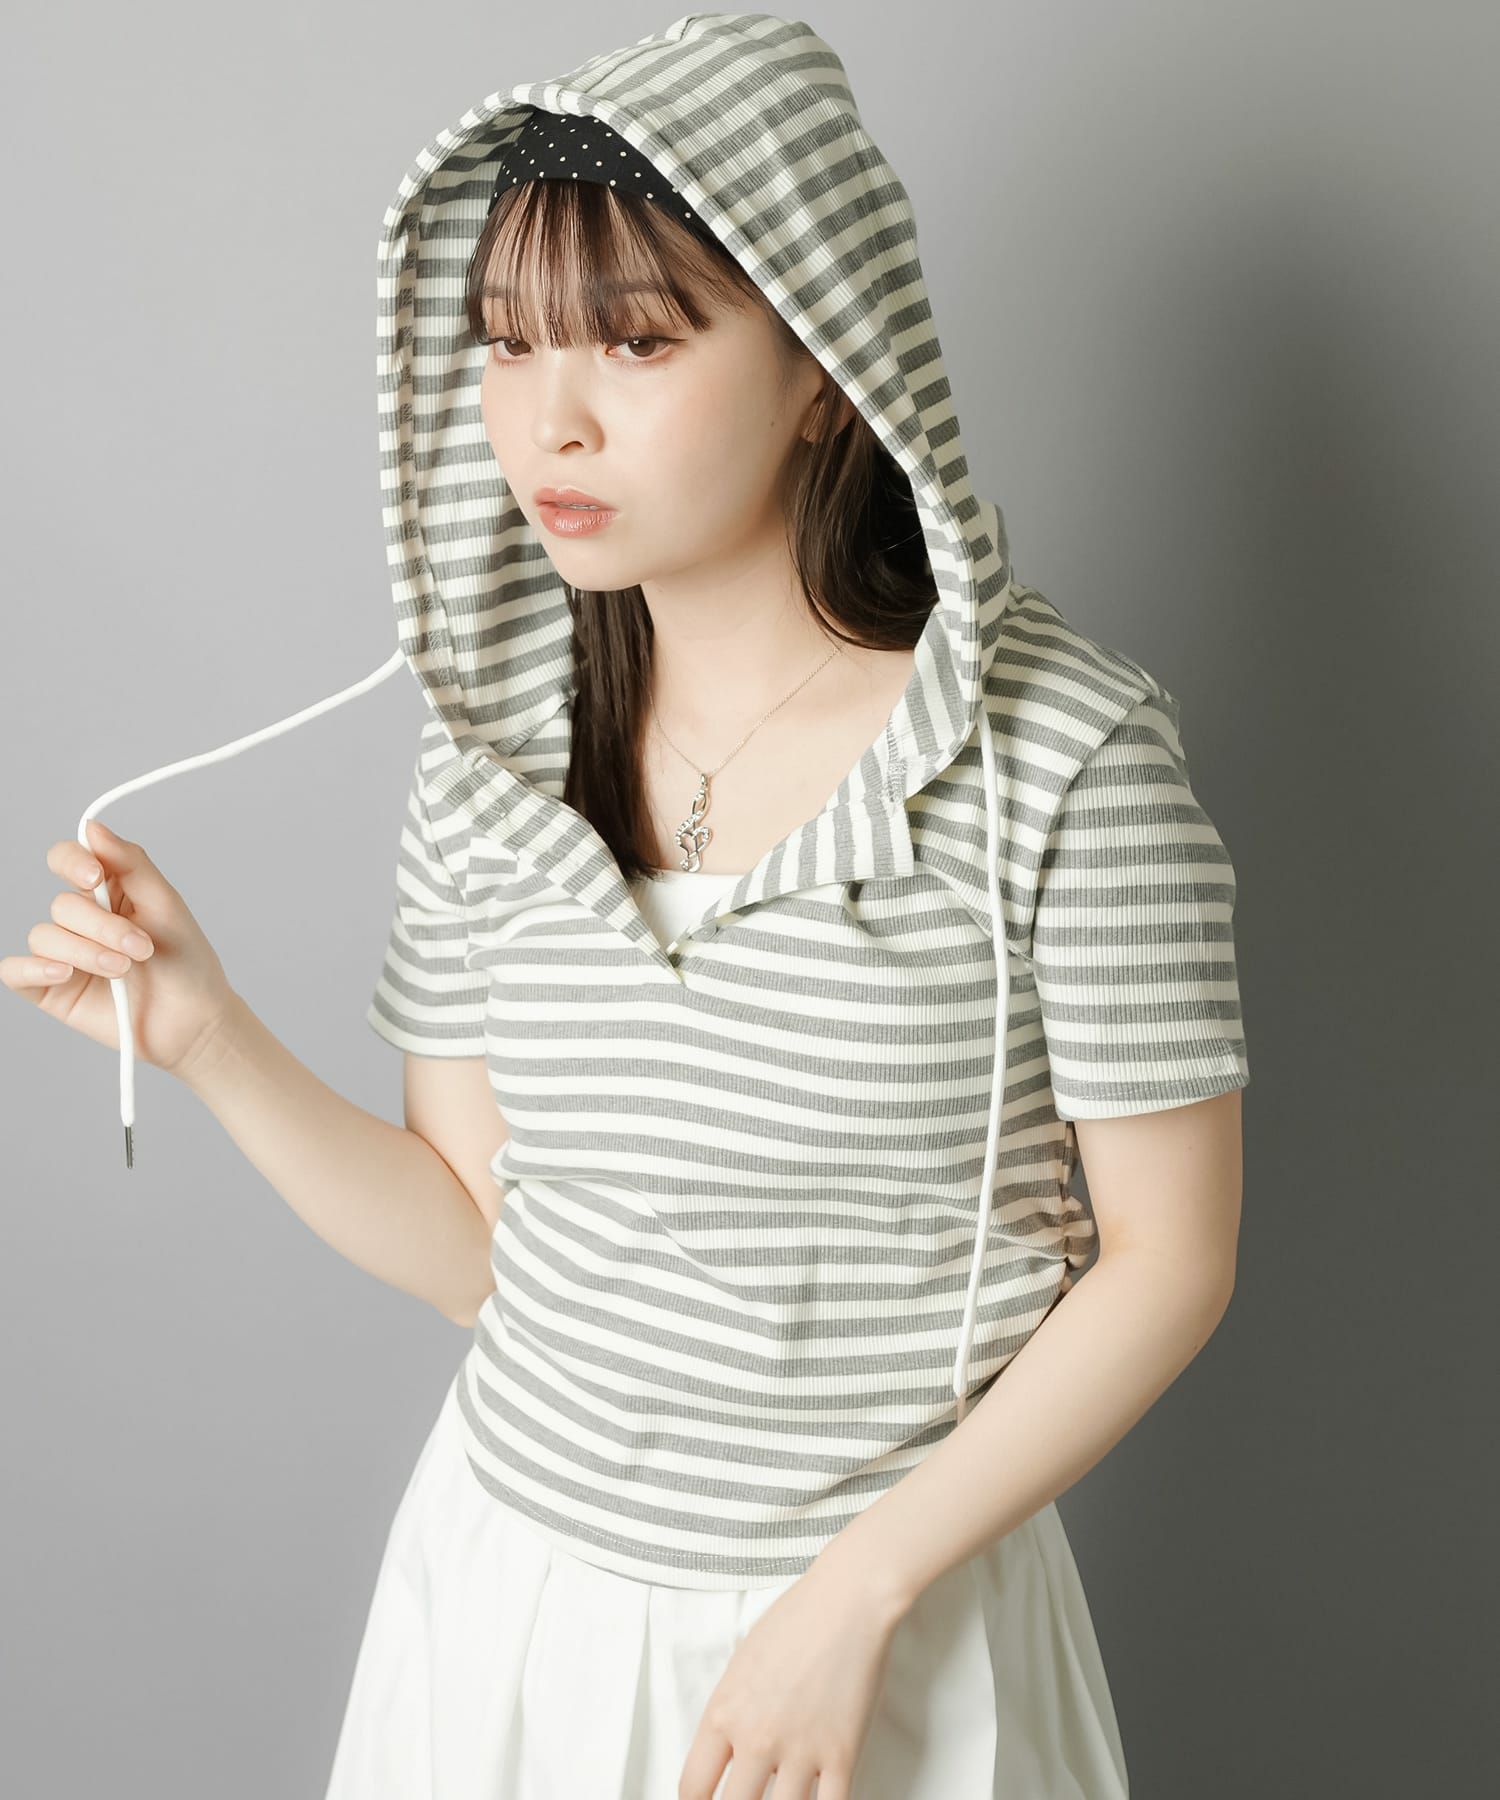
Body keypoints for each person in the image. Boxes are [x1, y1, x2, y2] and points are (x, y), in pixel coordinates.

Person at [7, 14, 1250, 1797]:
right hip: (510, 1612)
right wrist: (205, 1034)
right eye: (508, 345)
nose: (551, 420)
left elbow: (1169, 1260)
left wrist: (852, 1601)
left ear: (827, 365)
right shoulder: (494, 758)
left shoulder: (1066, 758)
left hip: (886, 1641)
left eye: (639, 341)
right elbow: (483, 1252)